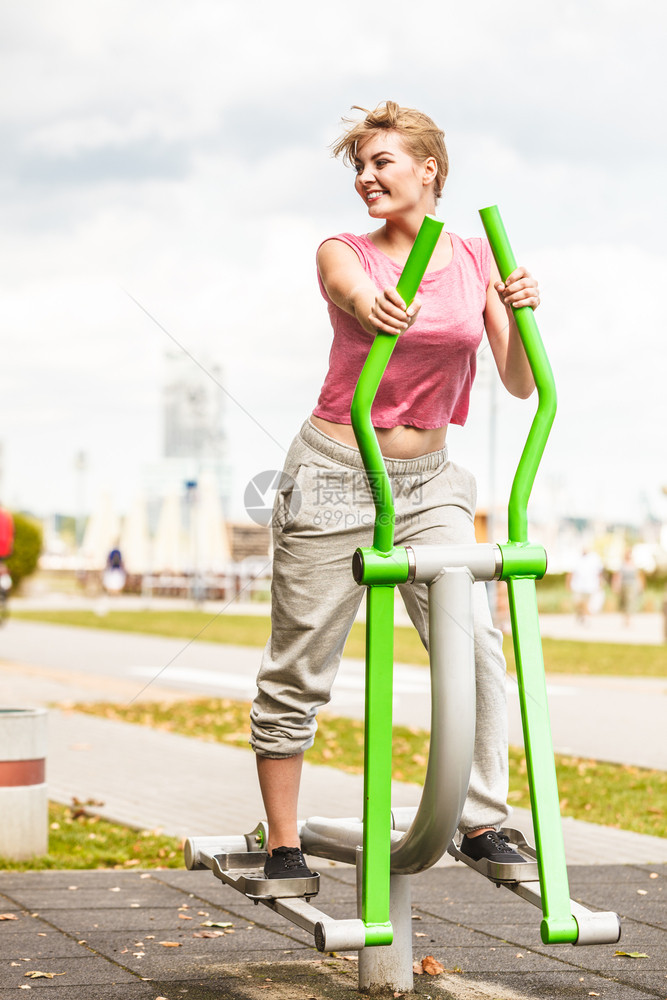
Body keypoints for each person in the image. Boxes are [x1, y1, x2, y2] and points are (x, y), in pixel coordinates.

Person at [250, 102, 540, 880]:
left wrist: (517, 312)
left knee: (475, 642)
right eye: (359, 166)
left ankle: (480, 823)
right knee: (301, 662)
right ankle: (281, 839)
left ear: (427, 170)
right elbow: (348, 290)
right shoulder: (344, 251)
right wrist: (366, 303)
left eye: (381, 162)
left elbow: (515, 383)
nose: (366, 177)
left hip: (429, 481)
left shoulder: (476, 257)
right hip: (337, 472)